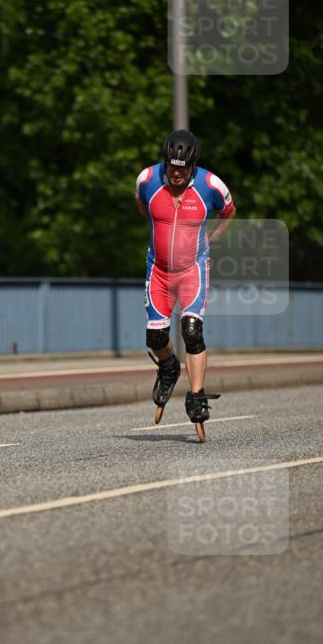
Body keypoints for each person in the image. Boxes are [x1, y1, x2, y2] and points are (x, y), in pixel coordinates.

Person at [135, 129, 236, 425]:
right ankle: (168, 367)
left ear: (193, 165)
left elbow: (229, 212)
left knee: (191, 331)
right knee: (155, 337)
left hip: (193, 268)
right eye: (171, 166)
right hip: (159, 270)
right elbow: (143, 205)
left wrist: (214, 238)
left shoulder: (211, 185)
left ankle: (196, 395)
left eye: (182, 168)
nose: (175, 173)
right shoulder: (147, 180)